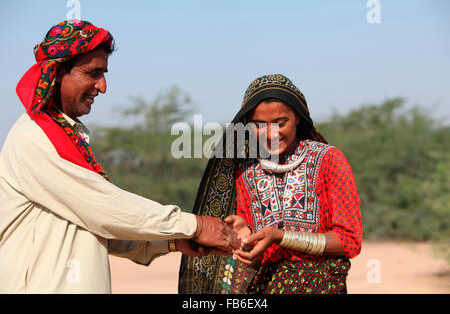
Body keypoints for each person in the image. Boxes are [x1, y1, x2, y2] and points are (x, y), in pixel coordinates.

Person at [0, 20, 237, 294]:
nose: (102, 86)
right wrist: (194, 225)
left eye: (103, 73)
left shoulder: (67, 136)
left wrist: (173, 241)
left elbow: (102, 228)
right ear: (56, 73)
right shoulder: (35, 138)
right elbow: (106, 208)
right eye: (93, 73)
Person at [179, 74, 363, 294]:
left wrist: (281, 236)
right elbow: (257, 261)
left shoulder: (328, 160)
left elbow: (349, 242)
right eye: (259, 125)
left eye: (280, 122)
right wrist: (245, 239)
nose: (271, 134)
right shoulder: (246, 172)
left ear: (298, 117)